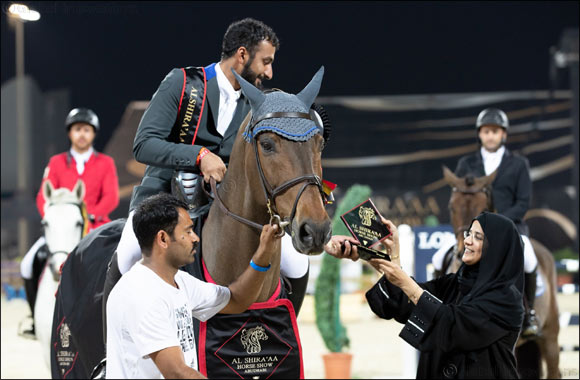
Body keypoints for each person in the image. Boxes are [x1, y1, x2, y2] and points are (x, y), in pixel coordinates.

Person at [105, 17, 310, 323]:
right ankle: (111, 355)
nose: (270, 72)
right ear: (242, 55)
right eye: (266, 62)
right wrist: (199, 155)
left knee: (296, 262)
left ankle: (281, 331)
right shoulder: (183, 83)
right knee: (128, 253)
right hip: (164, 195)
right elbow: (144, 145)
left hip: (228, 204)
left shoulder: (258, 103)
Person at [327, 212, 525, 379]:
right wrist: (371, 254)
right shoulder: (454, 283)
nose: (467, 240)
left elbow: (453, 327)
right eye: (469, 233)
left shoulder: (507, 300)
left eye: (478, 237)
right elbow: (404, 305)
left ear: (497, 248)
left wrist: (404, 280)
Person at [106, 193, 281, 379]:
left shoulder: (180, 281)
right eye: (188, 232)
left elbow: (237, 300)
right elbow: (176, 373)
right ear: (163, 239)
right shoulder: (142, 293)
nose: (195, 238)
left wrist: (263, 255)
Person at [19, 107, 119, 338]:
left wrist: (88, 216)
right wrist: (55, 219)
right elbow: (43, 196)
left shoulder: (105, 163)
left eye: (86, 130)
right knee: (27, 263)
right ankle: (35, 321)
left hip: (96, 228)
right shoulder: (55, 163)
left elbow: (111, 197)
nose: (82, 134)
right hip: (60, 231)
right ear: (70, 133)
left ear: (93, 134)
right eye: (77, 130)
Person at [454, 108, 539, 337]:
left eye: (495, 131)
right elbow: (460, 199)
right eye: (486, 131)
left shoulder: (519, 164)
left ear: (504, 135)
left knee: (529, 259)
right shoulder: (466, 164)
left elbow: (522, 202)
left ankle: (529, 314)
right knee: (438, 258)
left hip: (512, 228)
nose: (490, 135)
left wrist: (497, 223)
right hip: (473, 230)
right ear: (480, 134)